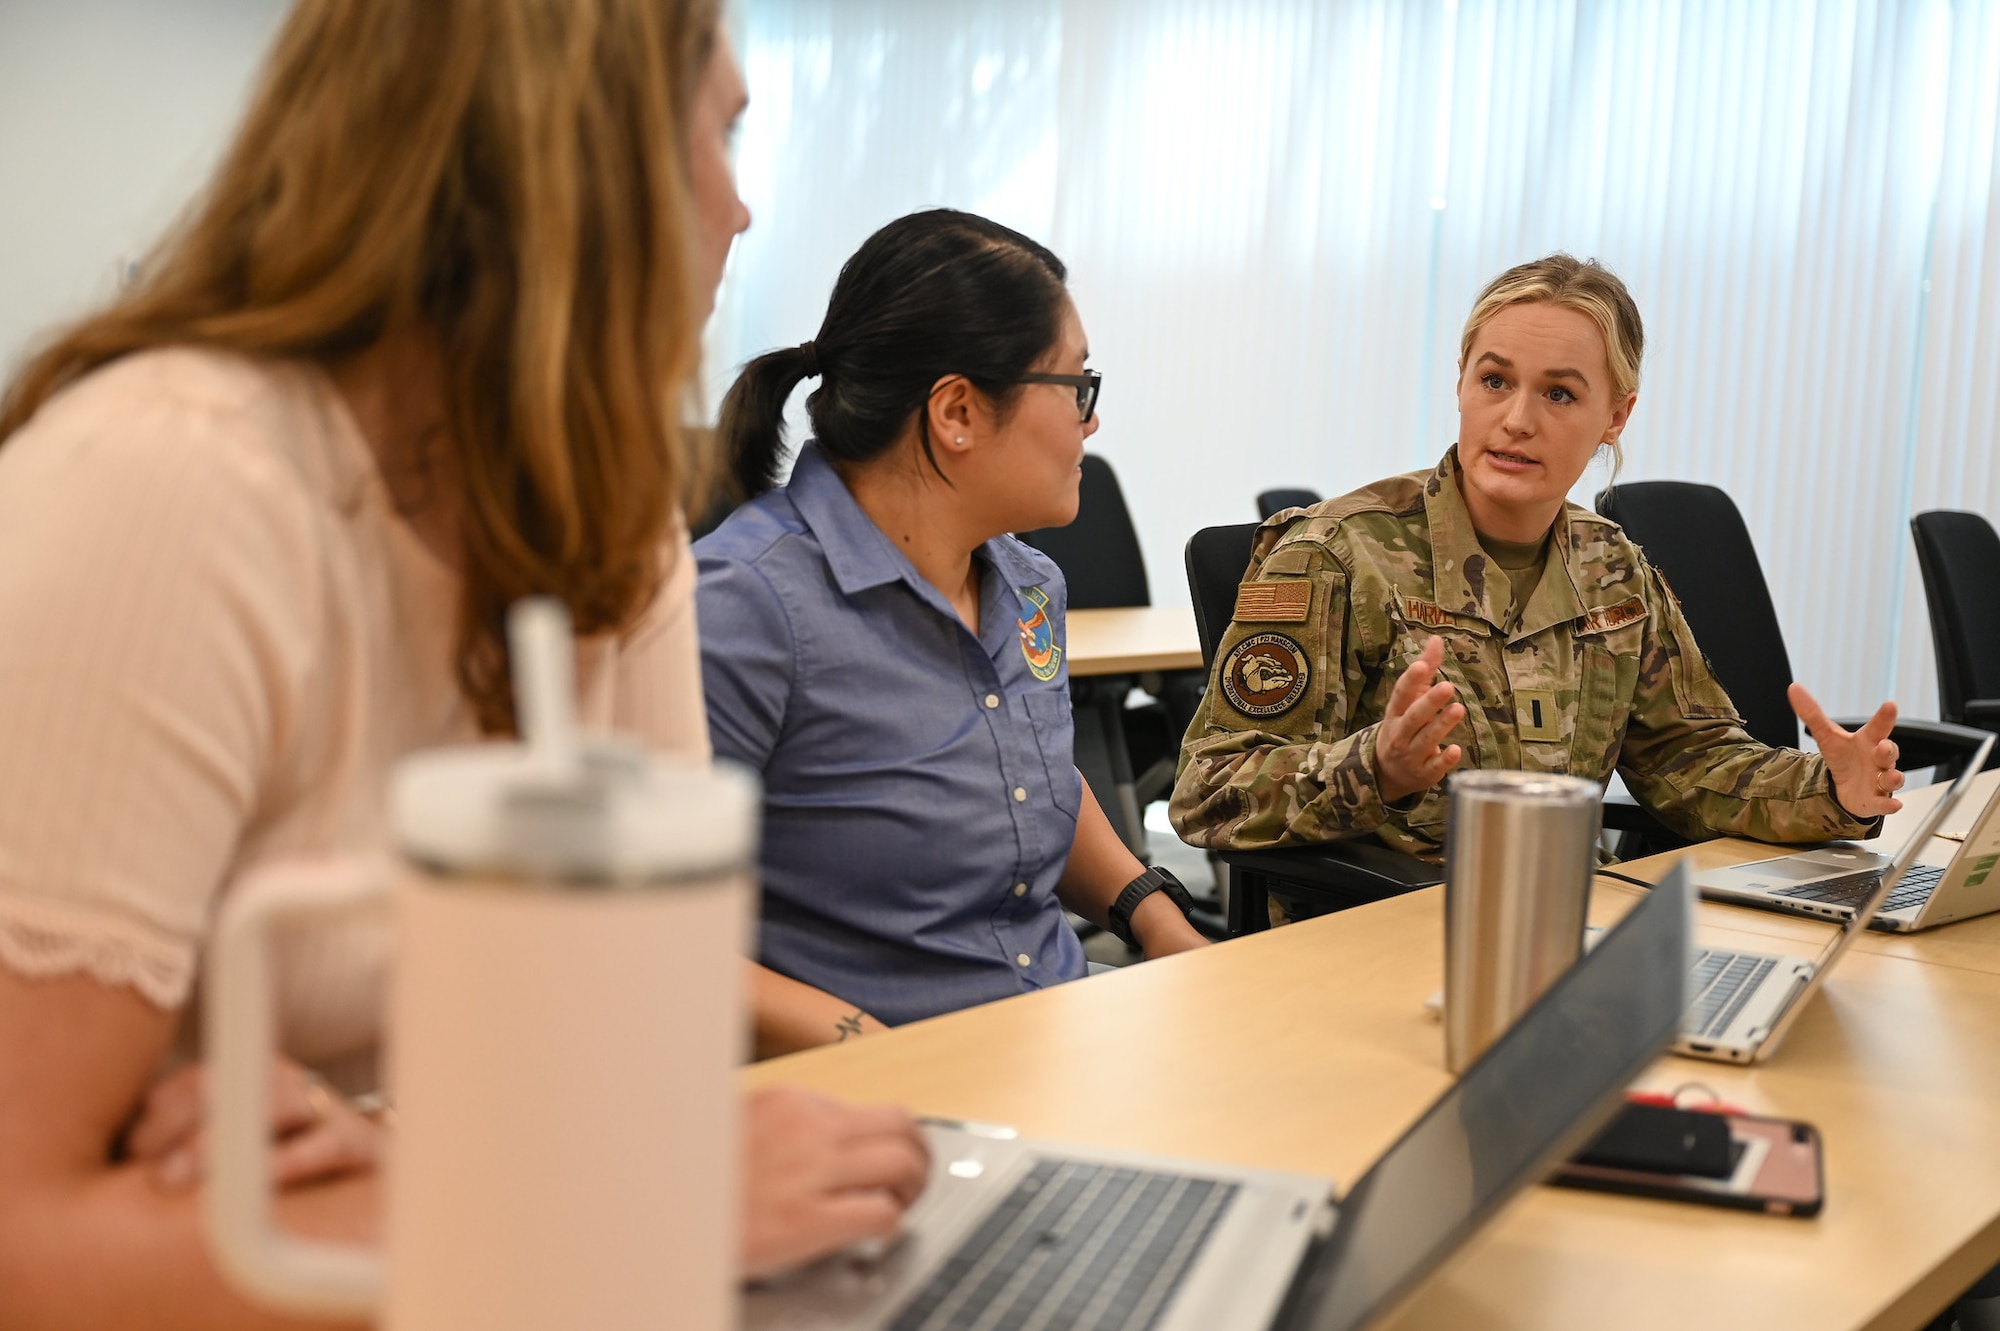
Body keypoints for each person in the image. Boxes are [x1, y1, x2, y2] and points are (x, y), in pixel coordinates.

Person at [0, 2, 925, 1323]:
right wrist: (606, 1198)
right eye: (716, 133)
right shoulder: (166, 489)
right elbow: (22, 1248)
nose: (740, 207)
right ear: (567, 158)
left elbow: (624, 1065)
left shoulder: (606, 528)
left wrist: (405, 1165)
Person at [1171, 253, 1904, 875]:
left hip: (1569, 928)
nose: (1518, 418)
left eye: (1559, 392)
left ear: (1615, 416)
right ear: (1461, 381)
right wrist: (1377, 769)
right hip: (1379, 938)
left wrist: (1830, 791)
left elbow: (1689, 761)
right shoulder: (1335, 556)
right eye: (1495, 380)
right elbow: (1208, 790)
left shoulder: (1613, 568)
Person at [698, 209, 1210, 1053]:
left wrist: (1157, 917)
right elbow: (634, 920)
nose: (1091, 422)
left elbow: (1034, 779)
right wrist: (868, 1043)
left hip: (1053, 1037)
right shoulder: (746, 604)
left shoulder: (1027, 581)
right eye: (1076, 386)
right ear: (959, 411)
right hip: (877, 1099)